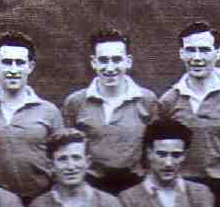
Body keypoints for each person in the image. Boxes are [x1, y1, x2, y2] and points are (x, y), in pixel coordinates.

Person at [156, 21, 220, 207]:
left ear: (217, 53)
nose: (197, 57)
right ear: (181, 53)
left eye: (204, 50)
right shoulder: (168, 101)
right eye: (190, 50)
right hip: (183, 190)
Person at [0, 31, 64, 203]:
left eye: (19, 63)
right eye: (6, 62)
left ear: (30, 66)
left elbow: (61, 159)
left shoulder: (49, 111)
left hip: (40, 200)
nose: (13, 70)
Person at [62, 28, 159, 195]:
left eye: (116, 60)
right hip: (90, 187)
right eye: (103, 60)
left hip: (135, 185)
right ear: (94, 62)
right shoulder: (75, 102)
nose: (110, 67)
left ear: (128, 61)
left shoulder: (147, 99)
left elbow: (154, 148)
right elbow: (67, 149)